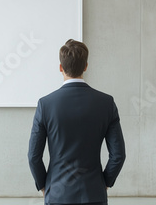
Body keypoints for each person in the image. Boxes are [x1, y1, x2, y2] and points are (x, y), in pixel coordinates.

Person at [28, 39, 126, 205]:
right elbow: (118, 155)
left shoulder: (45, 104)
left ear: (61, 68)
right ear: (86, 66)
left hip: (57, 194)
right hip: (93, 193)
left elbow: (33, 157)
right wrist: (104, 183)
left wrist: (45, 187)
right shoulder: (106, 103)